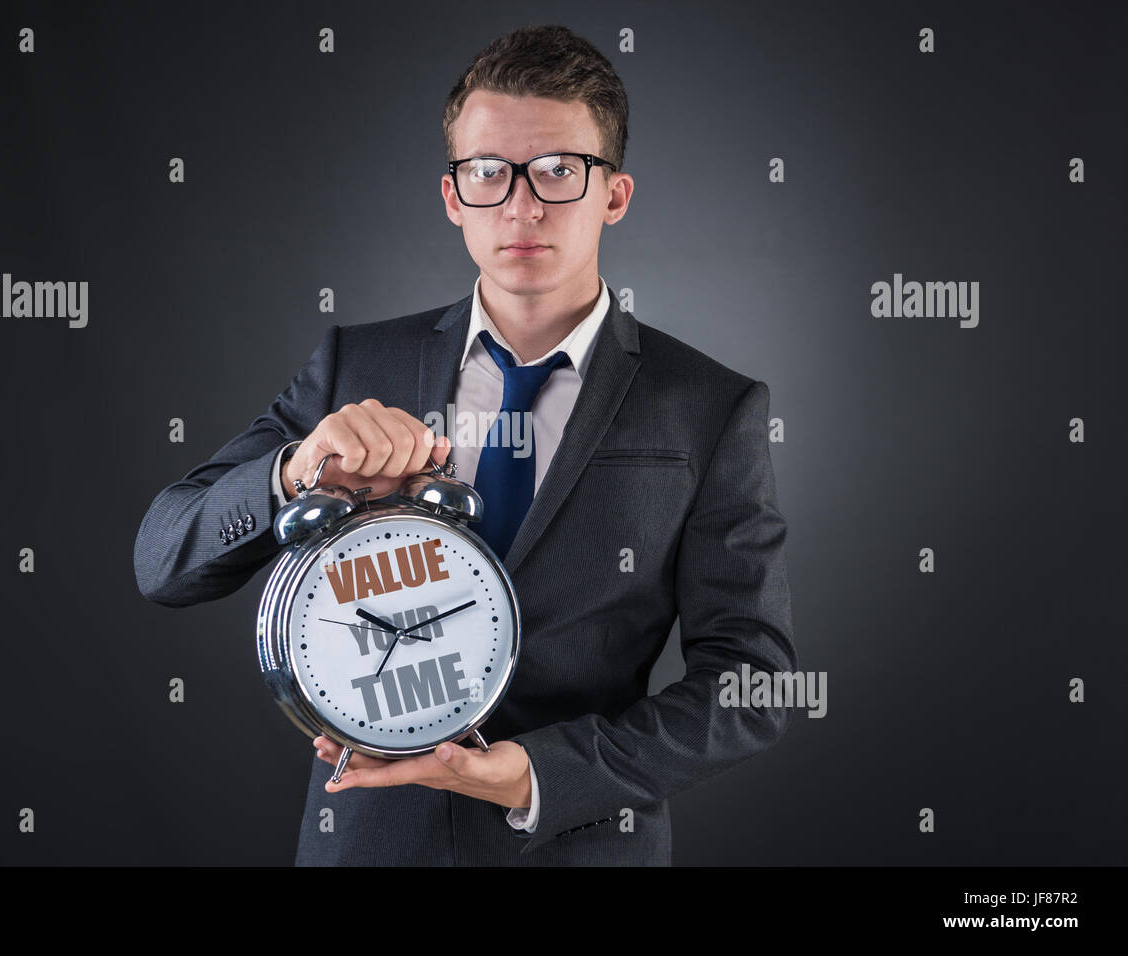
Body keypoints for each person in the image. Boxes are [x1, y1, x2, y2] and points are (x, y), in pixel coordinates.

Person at [133, 24, 797, 866]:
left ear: (615, 194)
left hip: (579, 844)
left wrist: (537, 775)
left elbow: (754, 686)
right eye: (488, 173)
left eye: (559, 170)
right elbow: (161, 558)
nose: (522, 205)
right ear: (453, 196)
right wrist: (292, 473)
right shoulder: (354, 365)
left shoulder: (710, 406)